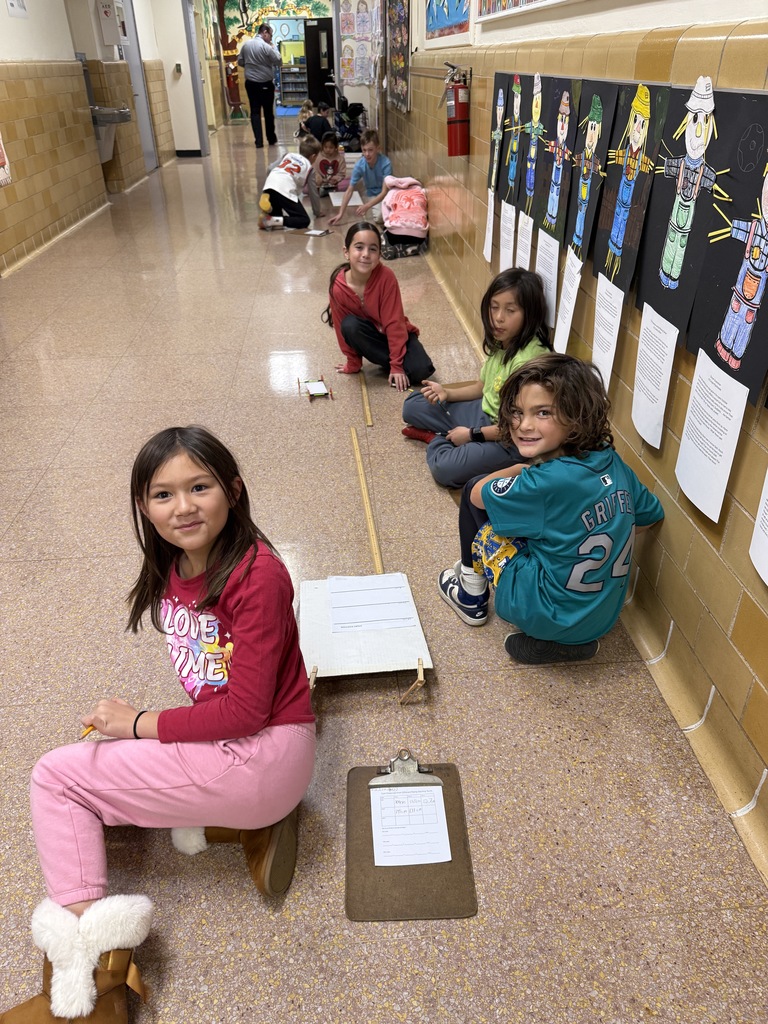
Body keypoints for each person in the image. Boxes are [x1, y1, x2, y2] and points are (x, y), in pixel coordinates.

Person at [2, 426, 316, 1023]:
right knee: (100, 770)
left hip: (259, 753)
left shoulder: (258, 575)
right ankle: (237, 824)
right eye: (163, 494)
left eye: (199, 487)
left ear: (233, 489)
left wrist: (139, 721)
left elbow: (247, 710)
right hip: (253, 752)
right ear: (143, 505)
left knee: (56, 778)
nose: (183, 507)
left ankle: (88, 983)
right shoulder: (178, 562)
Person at [438, 354, 664, 663]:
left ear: (577, 416)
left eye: (542, 412)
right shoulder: (613, 462)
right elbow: (650, 516)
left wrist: (519, 469)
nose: (524, 425)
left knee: (476, 490)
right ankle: (569, 640)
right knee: (548, 528)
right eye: (517, 412)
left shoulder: (543, 483)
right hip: (601, 619)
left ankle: (469, 594)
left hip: (542, 613)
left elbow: (476, 496)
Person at [401, 268, 553, 488]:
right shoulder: (505, 341)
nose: (498, 318)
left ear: (530, 315)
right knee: (413, 405)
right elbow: (482, 387)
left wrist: (471, 435)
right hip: (484, 413)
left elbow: (517, 428)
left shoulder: (528, 366)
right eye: (494, 307)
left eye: (510, 310)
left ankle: (436, 439)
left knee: (444, 469)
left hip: (507, 438)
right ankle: (452, 437)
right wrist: (447, 393)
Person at [322, 221, 435, 392]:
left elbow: (394, 322)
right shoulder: (338, 287)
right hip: (372, 339)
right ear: (346, 252)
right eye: (359, 247)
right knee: (349, 325)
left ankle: (393, 364)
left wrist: (396, 366)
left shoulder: (386, 277)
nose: (366, 254)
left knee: (421, 371)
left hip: (398, 335)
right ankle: (394, 363)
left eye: (373, 249)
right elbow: (340, 327)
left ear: (380, 254)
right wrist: (353, 363)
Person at [329, 128, 391, 226]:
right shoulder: (360, 165)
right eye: (364, 150)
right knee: (378, 217)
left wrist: (367, 206)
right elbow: (349, 190)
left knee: (385, 215)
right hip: (370, 194)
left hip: (385, 194)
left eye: (370, 150)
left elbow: (384, 192)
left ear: (378, 149)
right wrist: (341, 213)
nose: (367, 154)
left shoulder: (385, 163)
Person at [259, 135, 321, 230]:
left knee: (277, 214)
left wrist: (271, 183)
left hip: (270, 184)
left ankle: (268, 212)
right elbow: (313, 192)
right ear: (313, 156)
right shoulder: (309, 168)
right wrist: (317, 212)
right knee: (304, 220)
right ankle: (269, 221)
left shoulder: (289, 155)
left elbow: (270, 168)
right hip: (284, 188)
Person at [238, 23, 282, 148]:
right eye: (270, 35)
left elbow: (240, 61)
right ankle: (271, 139)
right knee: (268, 112)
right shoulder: (266, 47)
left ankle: (258, 142)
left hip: (251, 84)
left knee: (255, 112)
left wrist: (250, 67)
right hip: (265, 84)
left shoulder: (246, 45)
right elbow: (279, 61)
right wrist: (273, 47)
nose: (271, 39)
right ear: (265, 33)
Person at [308, 131, 345, 220]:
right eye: (325, 147)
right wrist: (317, 177)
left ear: (336, 147)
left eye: (331, 147)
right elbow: (312, 169)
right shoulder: (317, 156)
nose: (328, 150)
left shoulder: (340, 158)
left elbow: (342, 173)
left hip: (333, 185)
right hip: (320, 185)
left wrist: (337, 178)